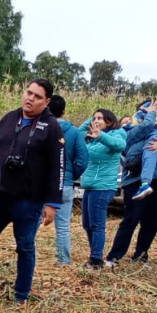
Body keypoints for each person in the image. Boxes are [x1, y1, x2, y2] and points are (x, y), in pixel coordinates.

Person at [0, 79, 65, 304]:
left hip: (29, 199)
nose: (30, 99)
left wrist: (53, 203)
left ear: (47, 101)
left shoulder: (51, 127)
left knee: (24, 246)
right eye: (28, 93)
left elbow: (58, 166)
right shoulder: (9, 118)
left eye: (37, 97)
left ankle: (21, 296)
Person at [105, 101, 157, 266]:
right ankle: (114, 256)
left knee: (151, 221)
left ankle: (141, 255)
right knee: (131, 219)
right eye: (149, 110)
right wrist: (151, 113)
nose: (153, 113)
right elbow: (146, 126)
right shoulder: (129, 131)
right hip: (135, 180)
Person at [77, 109, 126, 268]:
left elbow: (119, 145)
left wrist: (101, 135)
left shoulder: (117, 134)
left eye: (100, 118)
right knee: (87, 224)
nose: (96, 120)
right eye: (95, 118)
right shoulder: (94, 139)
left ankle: (96, 259)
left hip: (103, 186)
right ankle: (95, 254)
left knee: (97, 225)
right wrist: (91, 121)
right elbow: (79, 133)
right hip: (90, 185)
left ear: (110, 122)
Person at [47, 95, 88, 266]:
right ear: (64, 111)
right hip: (65, 184)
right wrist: (72, 174)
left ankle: (27, 257)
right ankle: (63, 260)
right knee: (63, 226)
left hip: (42, 185)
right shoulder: (74, 132)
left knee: (32, 225)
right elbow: (83, 159)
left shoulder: (42, 128)